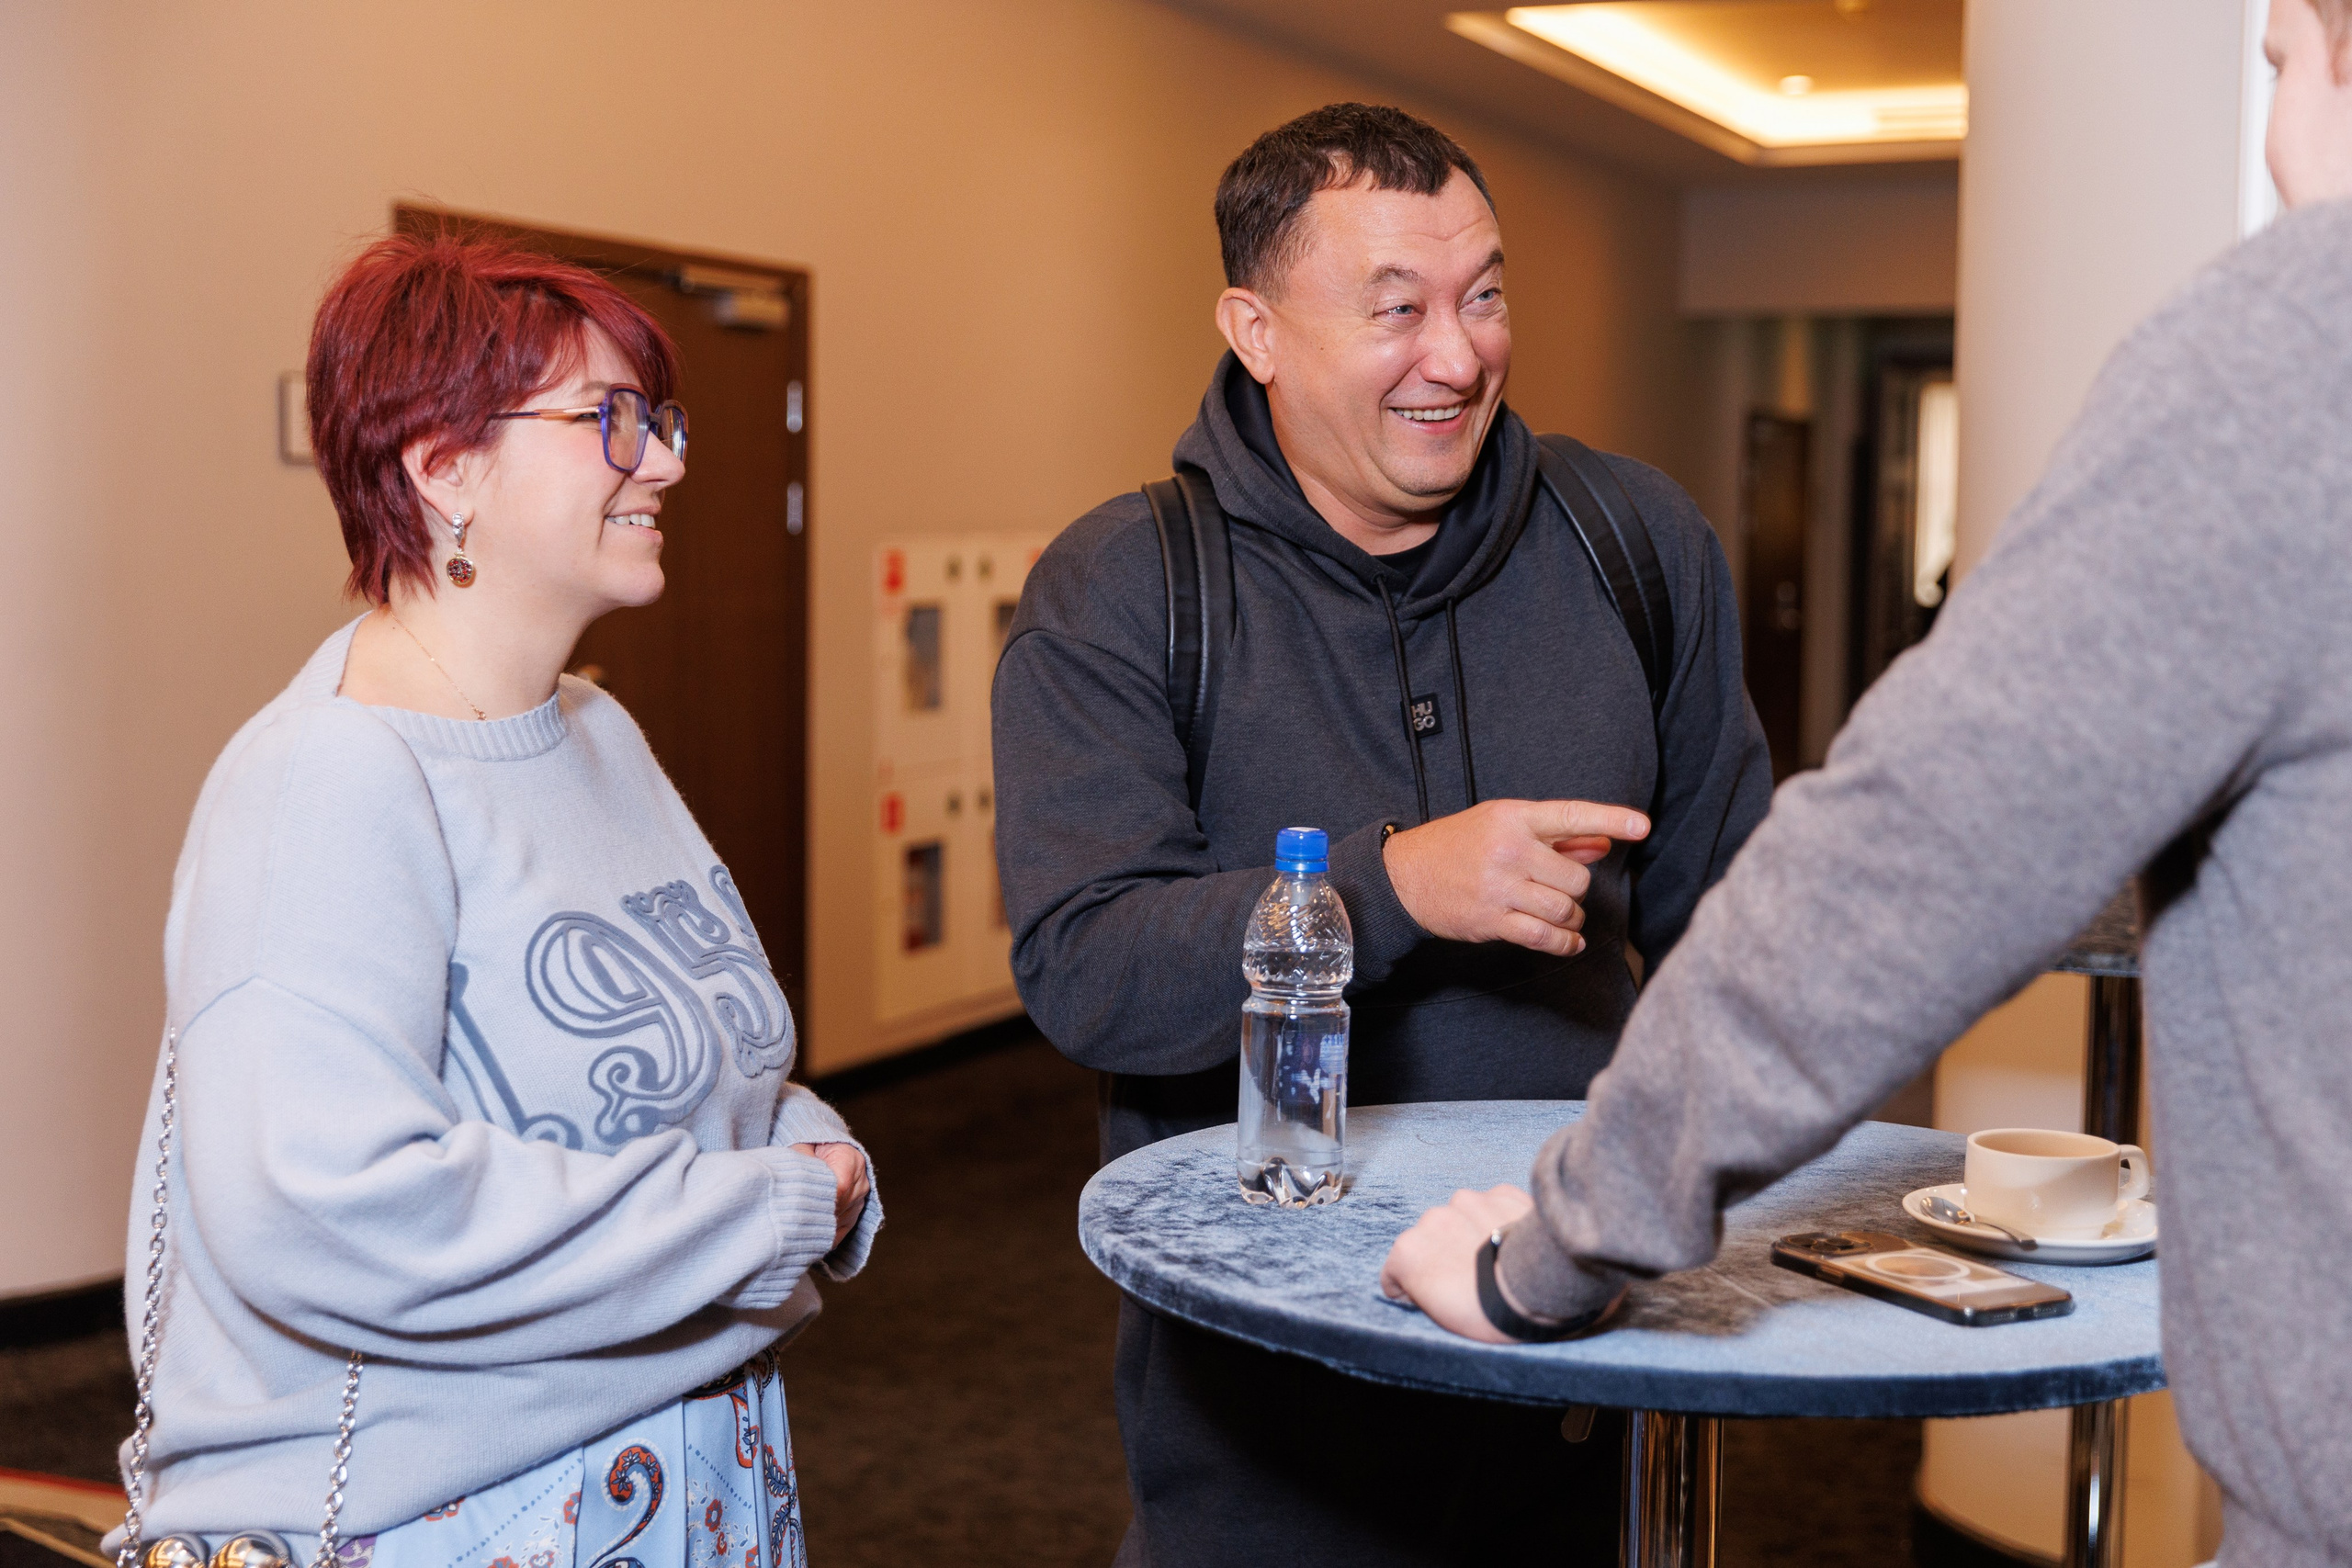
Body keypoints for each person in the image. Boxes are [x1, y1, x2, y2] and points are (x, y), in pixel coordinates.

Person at [1381, 1, 2352, 1561]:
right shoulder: (1131, 583)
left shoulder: (2307, 342)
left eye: (2279, 65)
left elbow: (1899, 869)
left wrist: (1554, 1245)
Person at [993, 105, 1770, 1565]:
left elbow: (1739, 924)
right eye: (1396, 309)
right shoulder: (1124, 589)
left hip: (1581, 1355)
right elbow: (1088, 969)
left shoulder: (1636, 546)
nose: (1460, 354)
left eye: (1482, 296)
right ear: (1257, 329)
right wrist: (1392, 882)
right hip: (1271, 1406)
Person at [108, 232, 878, 1568]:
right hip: (453, 1518)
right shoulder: (328, 780)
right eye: (612, 422)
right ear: (446, 466)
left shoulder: (597, 731)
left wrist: (811, 1151)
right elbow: (330, 1207)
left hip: (691, 1468)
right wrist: (764, 1211)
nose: (670, 463)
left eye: (662, 419)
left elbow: (699, 1064)